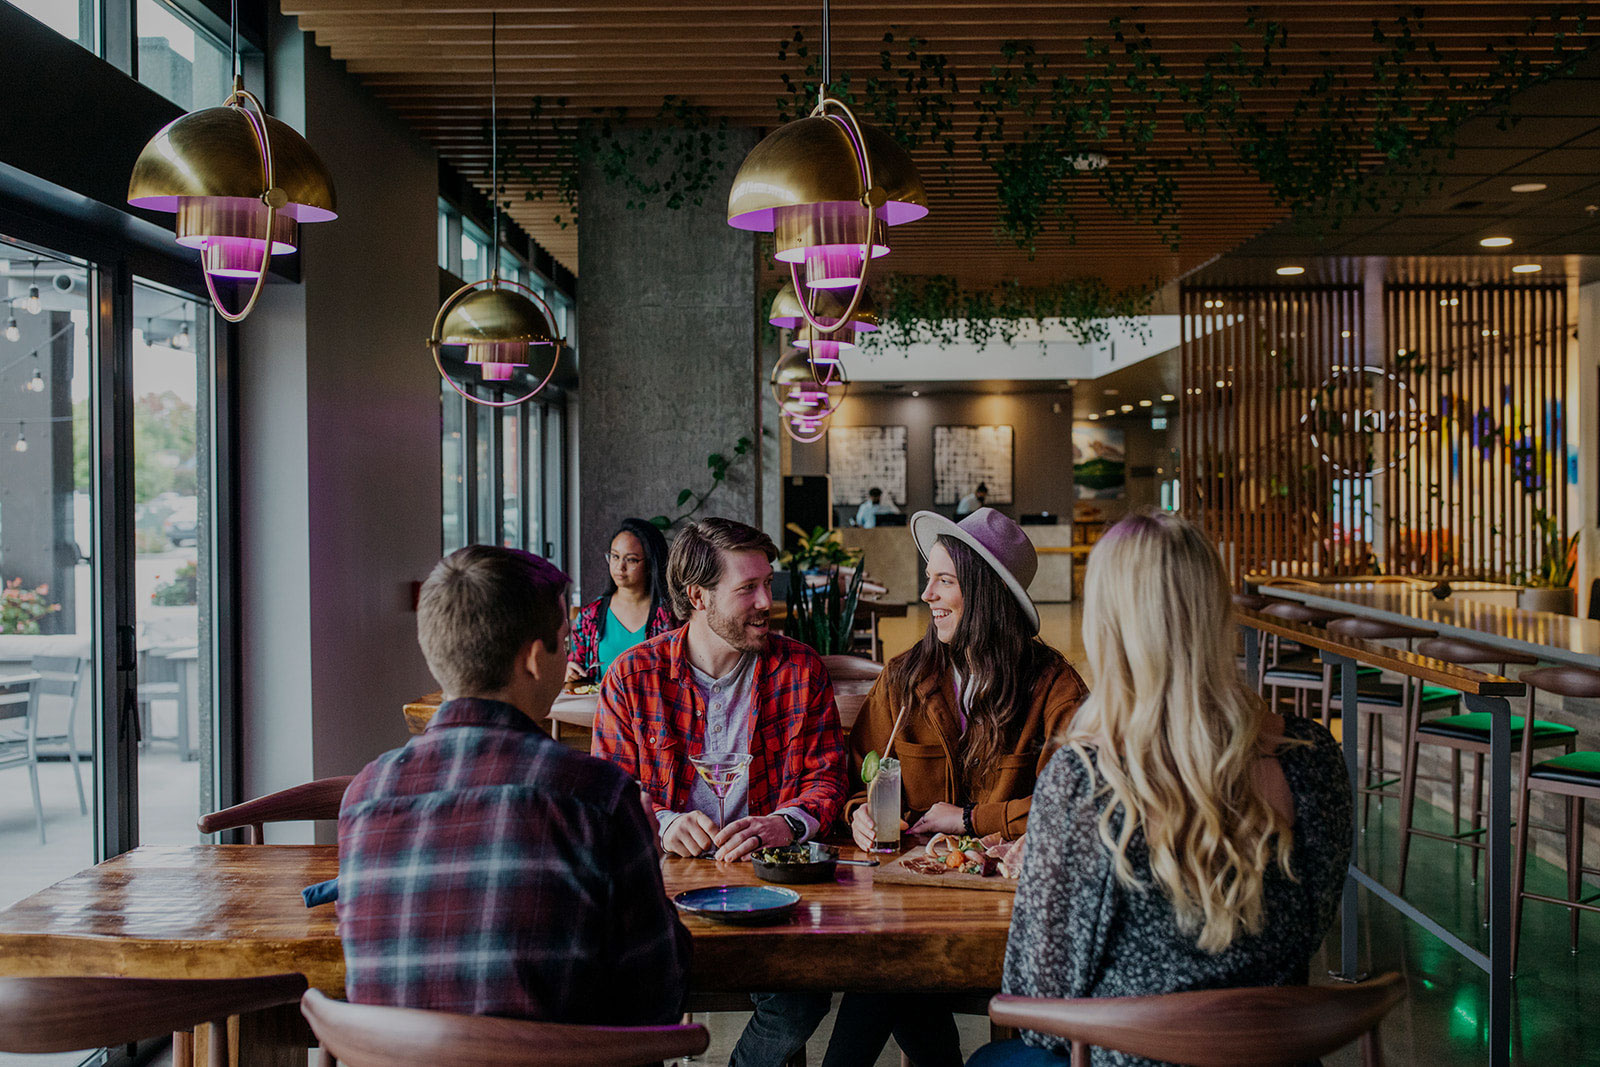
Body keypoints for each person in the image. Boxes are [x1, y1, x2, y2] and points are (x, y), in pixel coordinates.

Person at [970, 512, 1352, 1067]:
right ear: (1217, 612)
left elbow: (1034, 994)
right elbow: (1302, 941)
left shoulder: (1085, 779)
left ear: (1107, 627)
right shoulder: (1312, 759)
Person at [337, 545, 690, 1024]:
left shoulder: (364, 795)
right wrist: (644, 853)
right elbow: (659, 998)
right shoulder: (596, 798)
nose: (568, 657)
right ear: (532, 658)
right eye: (564, 642)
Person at [821, 507, 1088, 1067]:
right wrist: (857, 814)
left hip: (1003, 917)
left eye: (944, 580)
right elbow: (851, 775)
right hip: (907, 901)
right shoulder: (903, 677)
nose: (927, 594)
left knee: (888, 972)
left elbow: (1073, 808)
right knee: (892, 966)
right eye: (929, 578)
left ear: (985, 592)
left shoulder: (1054, 688)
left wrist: (968, 820)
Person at [593, 516, 846, 1067]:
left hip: (771, 895)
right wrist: (661, 821)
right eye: (747, 588)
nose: (766, 601)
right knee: (616, 989)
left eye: (768, 584)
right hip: (659, 897)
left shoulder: (799, 669)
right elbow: (609, 791)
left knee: (803, 995)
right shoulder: (632, 677)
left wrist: (786, 822)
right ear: (698, 597)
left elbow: (827, 781)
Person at [568, 517, 678, 683]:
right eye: (615, 556)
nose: (620, 567)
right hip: (600, 707)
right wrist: (570, 671)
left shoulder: (671, 617)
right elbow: (577, 667)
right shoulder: (590, 616)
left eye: (631, 559)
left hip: (654, 708)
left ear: (650, 564)